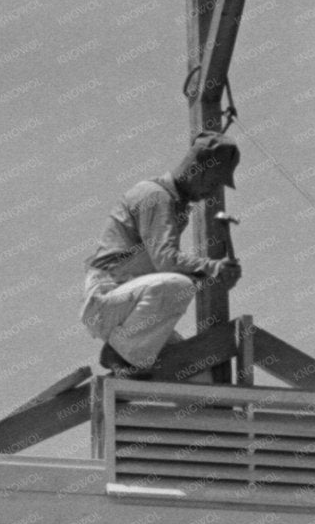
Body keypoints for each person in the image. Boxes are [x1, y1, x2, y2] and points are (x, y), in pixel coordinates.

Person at [80, 132, 243, 377]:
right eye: (213, 182)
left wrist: (212, 276)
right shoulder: (156, 196)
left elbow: (160, 269)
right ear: (197, 167)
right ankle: (121, 355)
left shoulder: (173, 204)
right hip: (108, 300)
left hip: (131, 305)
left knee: (196, 373)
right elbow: (166, 260)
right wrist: (214, 267)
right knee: (178, 285)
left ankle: (129, 376)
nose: (213, 192)